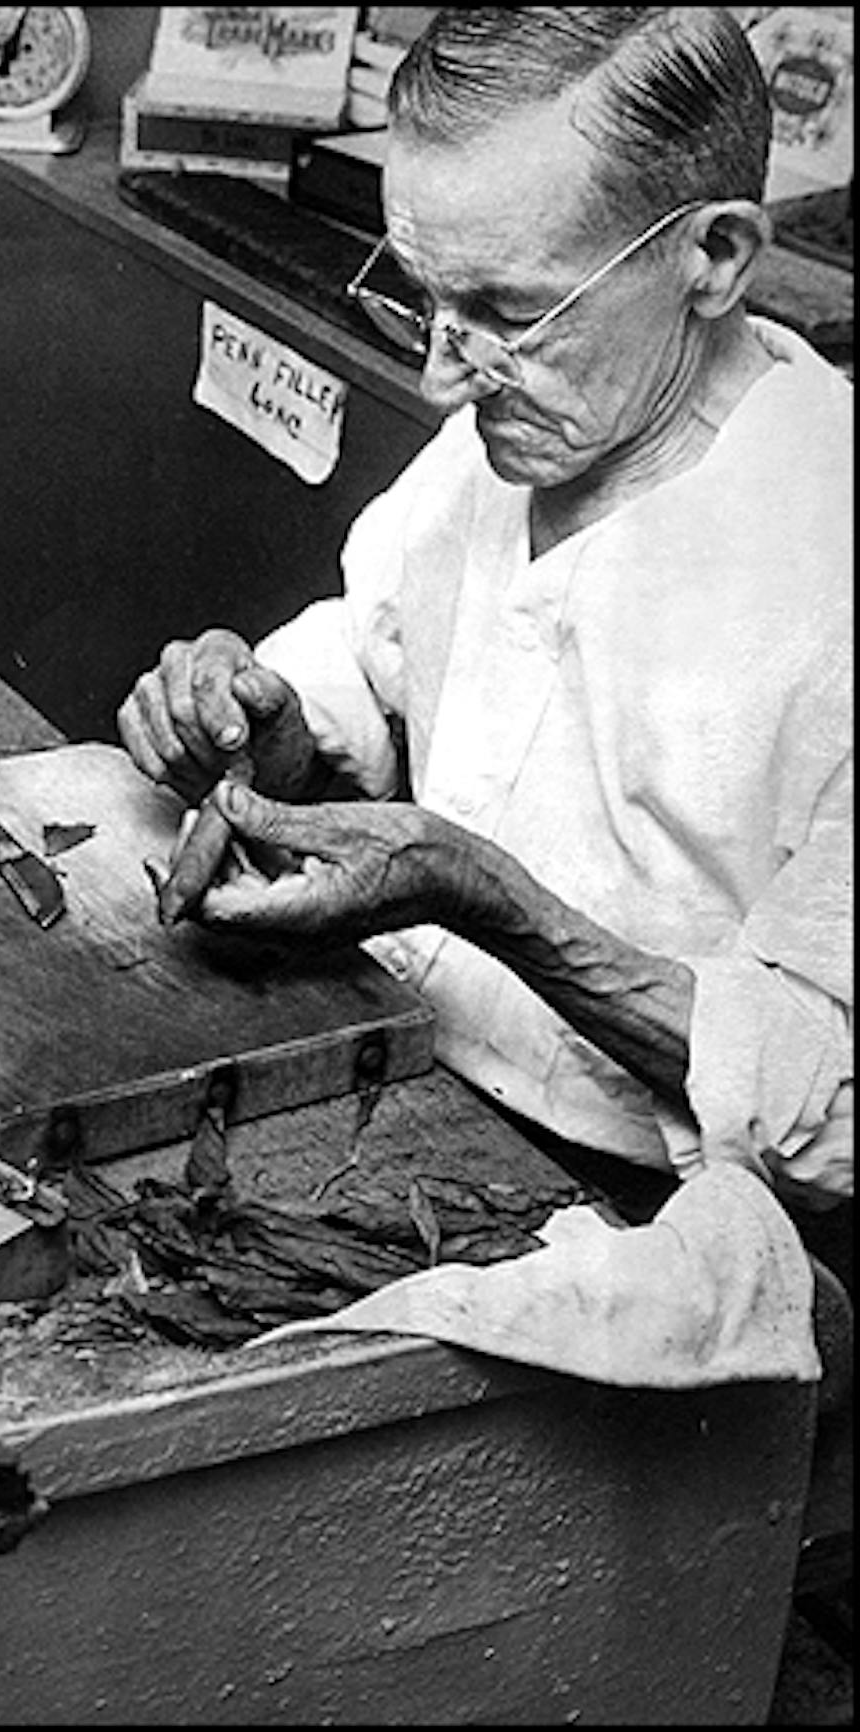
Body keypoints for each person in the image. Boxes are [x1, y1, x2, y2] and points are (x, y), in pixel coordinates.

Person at [116, 8, 852, 1238]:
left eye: (509, 312)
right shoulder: (531, 421)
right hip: (401, 1087)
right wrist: (266, 720)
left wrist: (493, 904)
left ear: (716, 258)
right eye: (424, 297)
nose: (441, 378)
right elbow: (378, 645)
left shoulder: (826, 561)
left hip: (671, 1226)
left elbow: (837, 1106)